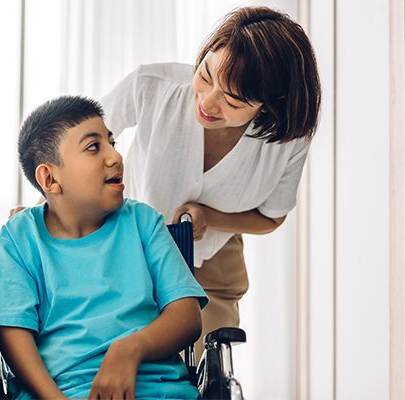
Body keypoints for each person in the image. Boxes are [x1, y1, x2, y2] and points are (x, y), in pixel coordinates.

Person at [99, 6, 321, 359]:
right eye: (206, 75)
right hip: (128, 251)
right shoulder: (151, 86)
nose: (208, 101)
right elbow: (79, 141)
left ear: (269, 106)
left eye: (232, 100)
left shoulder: (288, 141)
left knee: (201, 376)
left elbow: (272, 217)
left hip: (213, 268)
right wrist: (47, 210)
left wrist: (211, 218)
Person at [0, 96, 208, 400]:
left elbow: (187, 316)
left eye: (111, 142)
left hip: (158, 391)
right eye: (93, 147)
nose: (115, 157)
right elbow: (12, 332)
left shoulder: (143, 222)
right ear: (49, 178)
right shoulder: (20, 237)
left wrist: (129, 349)